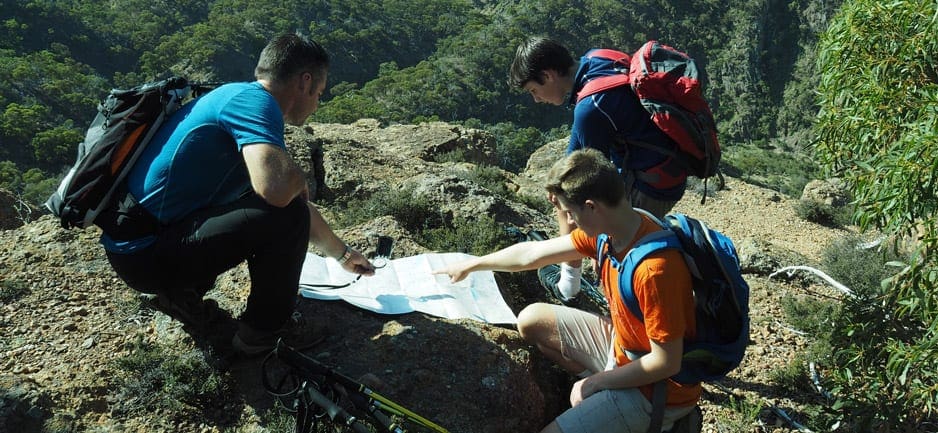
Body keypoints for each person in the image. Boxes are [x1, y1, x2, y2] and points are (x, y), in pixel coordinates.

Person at [101, 33, 375, 356]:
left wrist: (344, 256)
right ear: (304, 82)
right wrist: (297, 177)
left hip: (137, 246)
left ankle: (182, 291)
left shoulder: (235, 97)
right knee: (286, 216)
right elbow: (278, 195)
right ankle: (262, 334)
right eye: (319, 91)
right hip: (146, 253)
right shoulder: (255, 104)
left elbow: (288, 201)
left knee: (285, 212)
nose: (318, 102)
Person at [434, 149, 698, 433]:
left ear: (592, 206)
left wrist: (596, 383)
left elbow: (666, 362)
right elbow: (532, 254)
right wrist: (474, 265)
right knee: (531, 320)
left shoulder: (655, 270)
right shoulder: (611, 232)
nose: (570, 222)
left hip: (656, 390)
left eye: (571, 213)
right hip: (624, 348)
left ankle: (621, 406)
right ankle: (600, 399)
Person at [508, 36, 690, 301]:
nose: (536, 100)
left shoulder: (591, 108)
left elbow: (591, 185)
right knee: (564, 192)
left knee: (614, 255)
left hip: (652, 186)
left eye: (533, 91)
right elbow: (577, 148)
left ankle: (579, 287)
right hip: (667, 167)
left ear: (547, 76)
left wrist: (600, 240)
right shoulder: (598, 57)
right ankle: (573, 279)